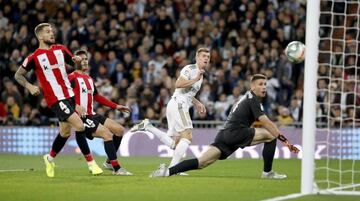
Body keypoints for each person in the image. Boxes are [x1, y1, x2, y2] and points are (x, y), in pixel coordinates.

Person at [149, 74, 300, 178]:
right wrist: (285, 141)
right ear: (253, 86)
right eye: (261, 84)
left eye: (265, 84)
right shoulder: (253, 99)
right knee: (270, 136)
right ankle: (267, 173)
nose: (264, 87)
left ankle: (167, 172)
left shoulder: (246, 97)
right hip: (236, 132)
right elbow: (267, 123)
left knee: (201, 162)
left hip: (225, 134)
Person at [14, 23, 100, 177]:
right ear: (40, 36)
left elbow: (74, 62)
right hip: (55, 99)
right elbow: (18, 75)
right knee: (80, 126)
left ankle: (49, 158)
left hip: (70, 96)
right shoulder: (34, 57)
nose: (52, 33)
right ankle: (91, 164)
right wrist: (29, 86)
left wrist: (77, 59)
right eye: (47, 32)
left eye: (52, 31)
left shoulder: (61, 49)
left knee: (65, 132)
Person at [131, 48, 210, 171]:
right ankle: (172, 170)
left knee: (176, 144)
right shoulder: (190, 69)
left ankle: (148, 127)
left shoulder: (201, 75)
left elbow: (188, 93)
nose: (206, 58)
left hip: (176, 104)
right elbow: (178, 84)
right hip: (179, 104)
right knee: (188, 136)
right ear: (197, 57)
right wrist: (195, 79)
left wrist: (197, 102)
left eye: (208, 57)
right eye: (203, 56)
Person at [68, 49, 132, 175]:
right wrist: (75, 106)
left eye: (86, 59)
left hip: (92, 114)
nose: (85, 61)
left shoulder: (89, 79)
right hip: (82, 117)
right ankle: (117, 168)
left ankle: (109, 162)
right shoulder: (71, 78)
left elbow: (97, 97)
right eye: (82, 59)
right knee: (107, 134)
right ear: (75, 61)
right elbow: (64, 97)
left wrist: (116, 106)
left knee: (119, 130)